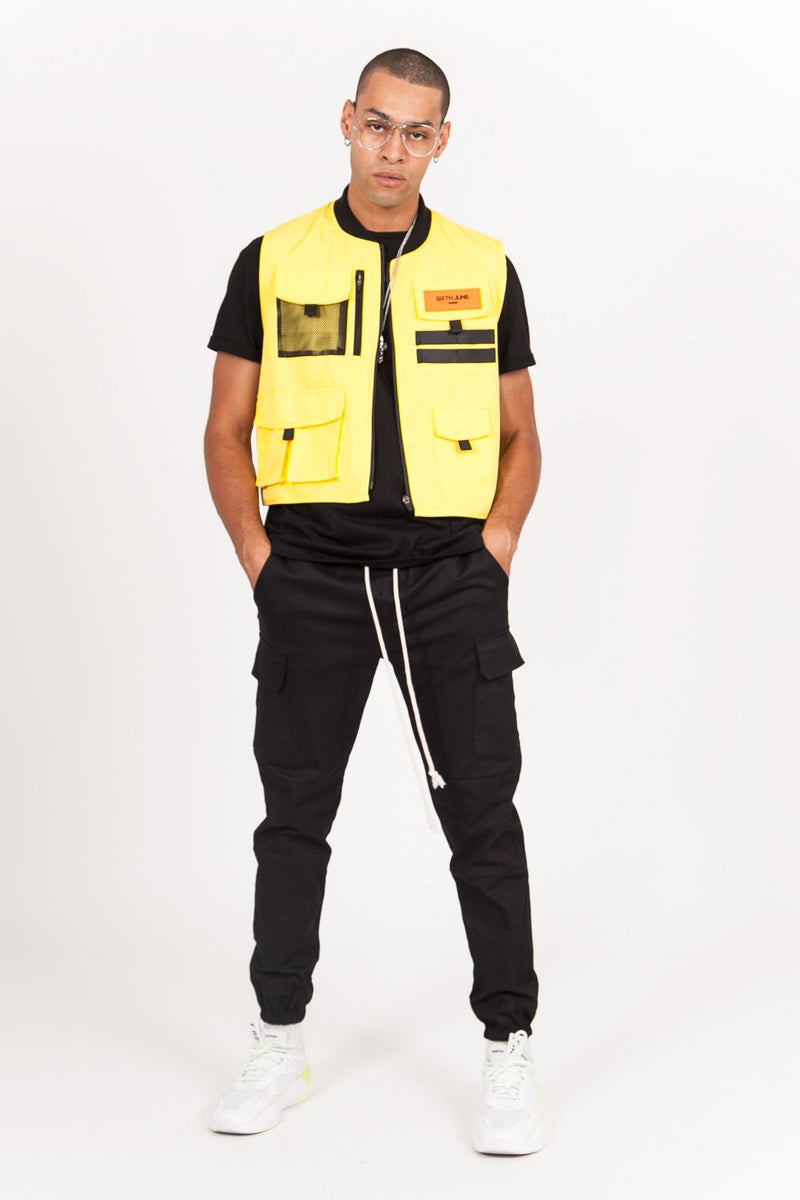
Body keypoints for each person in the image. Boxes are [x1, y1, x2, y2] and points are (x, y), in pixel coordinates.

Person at [203, 47, 545, 1155]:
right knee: (293, 819)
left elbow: (521, 434)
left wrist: (495, 548)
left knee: (482, 816)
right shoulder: (273, 259)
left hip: (448, 579)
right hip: (311, 575)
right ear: (347, 120)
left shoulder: (483, 266)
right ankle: (277, 1039)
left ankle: (508, 1050)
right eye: (378, 125)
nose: (393, 150)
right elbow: (224, 428)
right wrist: (261, 560)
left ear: (441, 141)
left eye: (416, 132)